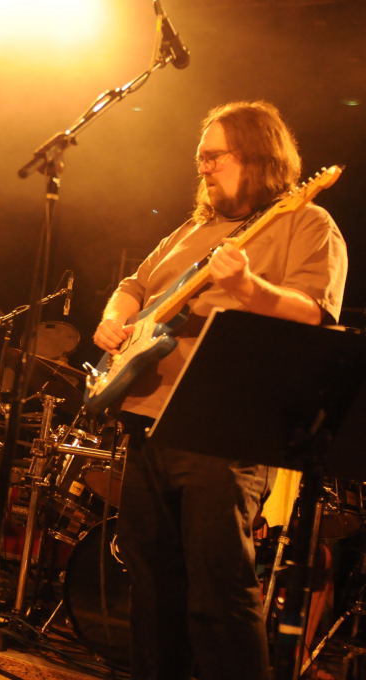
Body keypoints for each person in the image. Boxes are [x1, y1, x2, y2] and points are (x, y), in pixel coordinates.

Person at [92, 101, 347, 680]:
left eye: (214, 156)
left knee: (219, 593)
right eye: (199, 158)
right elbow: (134, 284)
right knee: (153, 589)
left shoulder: (307, 223)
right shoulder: (192, 229)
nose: (202, 168)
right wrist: (113, 318)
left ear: (258, 156)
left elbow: (314, 312)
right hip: (147, 420)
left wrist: (249, 287)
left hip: (224, 431)